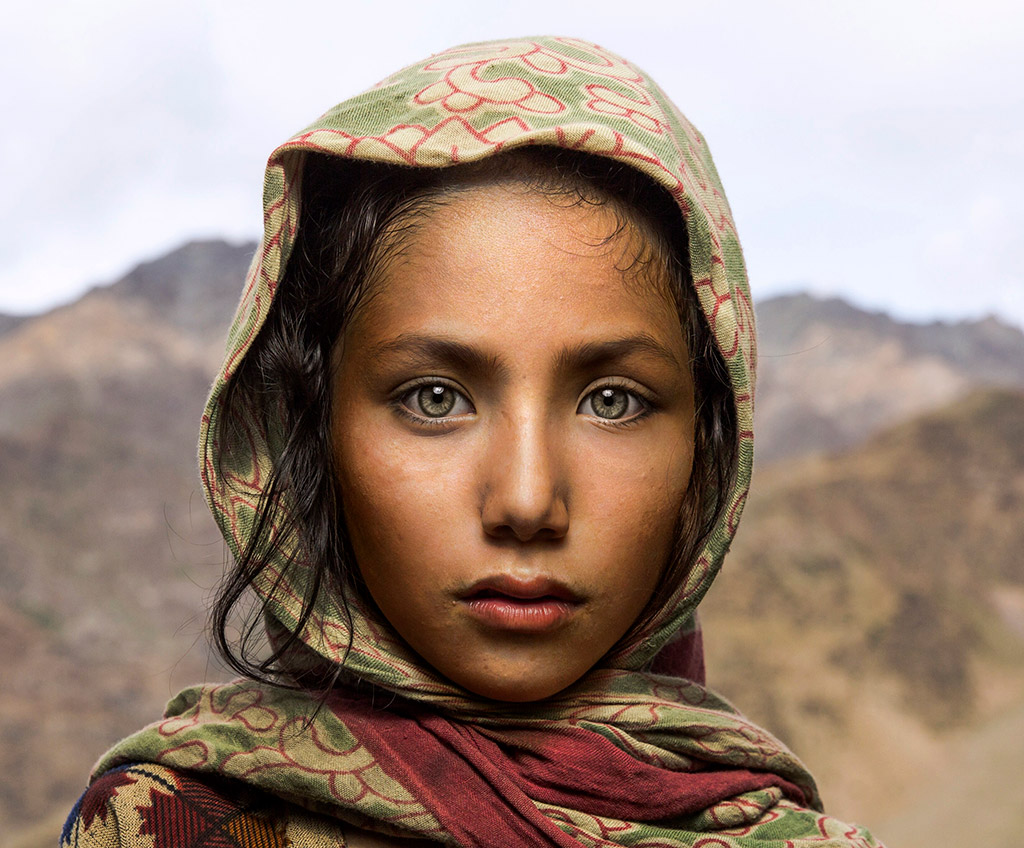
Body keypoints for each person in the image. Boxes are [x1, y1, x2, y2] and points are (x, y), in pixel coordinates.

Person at [62, 36, 883, 847]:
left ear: (708, 457)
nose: (527, 501)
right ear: (312, 432)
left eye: (613, 401)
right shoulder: (167, 828)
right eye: (434, 398)